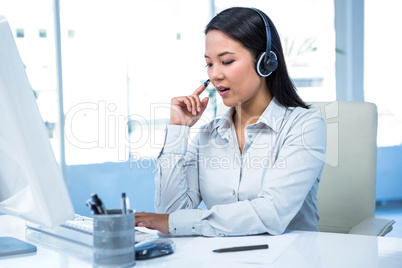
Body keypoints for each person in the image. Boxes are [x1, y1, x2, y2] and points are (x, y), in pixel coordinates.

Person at [135, 7, 326, 236]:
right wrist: (178, 131)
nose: (215, 74)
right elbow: (172, 213)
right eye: (209, 63)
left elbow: (271, 212)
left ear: (265, 62)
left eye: (226, 61)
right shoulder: (208, 135)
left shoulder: (304, 126)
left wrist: (178, 222)